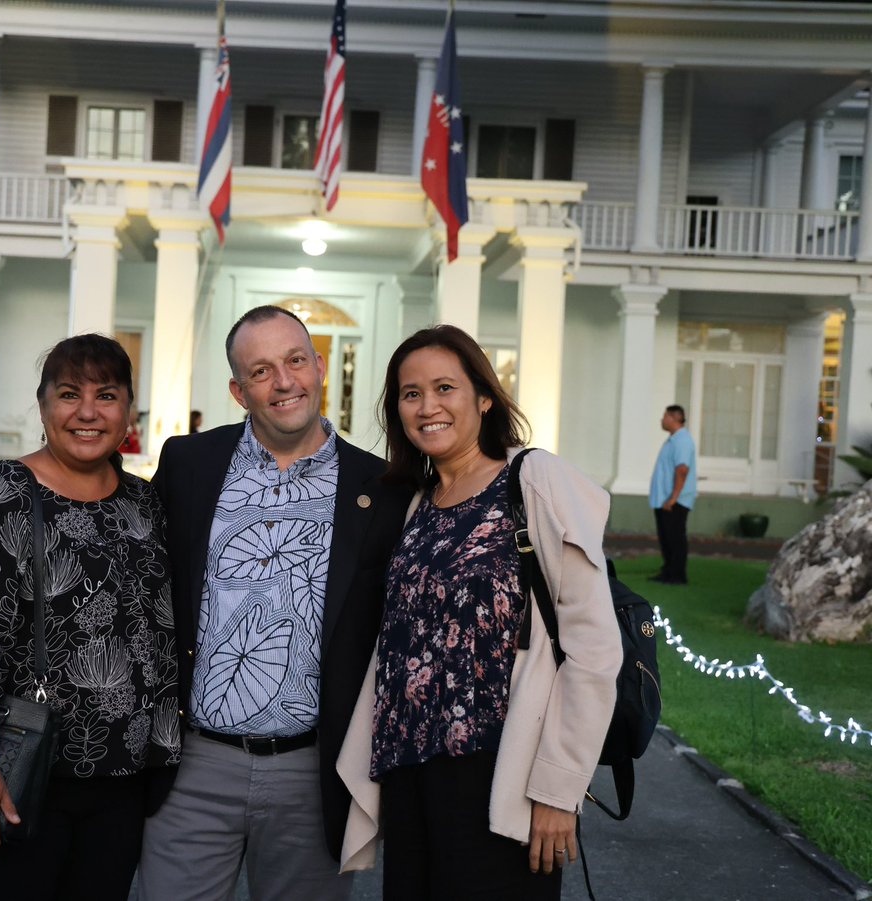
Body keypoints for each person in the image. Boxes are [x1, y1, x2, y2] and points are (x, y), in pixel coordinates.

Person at [137, 306, 412, 901]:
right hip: (193, 767)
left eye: (294, 361)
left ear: (318, 366)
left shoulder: (382, 488)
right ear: (239, 391)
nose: (284, 382)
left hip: (312, 776)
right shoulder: (189, 464)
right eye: (261, 372)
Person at [347, 325, 620, 900]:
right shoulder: (416, 502)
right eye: (410, 393)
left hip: (498, 772)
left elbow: (592, 645)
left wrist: (557, 789)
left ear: (485, 397)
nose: (428, 407)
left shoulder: (533, 481)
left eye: (445, 387)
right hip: (407, 769)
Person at [0, 334, 179, 900]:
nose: (87, 412)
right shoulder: (1, 492)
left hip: (121, 785)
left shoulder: (143, 504)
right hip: (17, 775)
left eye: (106, 395)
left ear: (129, 407)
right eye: (69, 394)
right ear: (44, 404)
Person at [649, 403, 697, 585]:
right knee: (666, 538)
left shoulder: (683, 440)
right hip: (664, 500)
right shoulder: (673, 439)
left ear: (674, 418)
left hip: (675, 501)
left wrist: (673, 498)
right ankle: (668, 571)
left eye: (665, 416)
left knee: (676, 538)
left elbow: (682, 470)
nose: (662, 420)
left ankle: (678, 575)